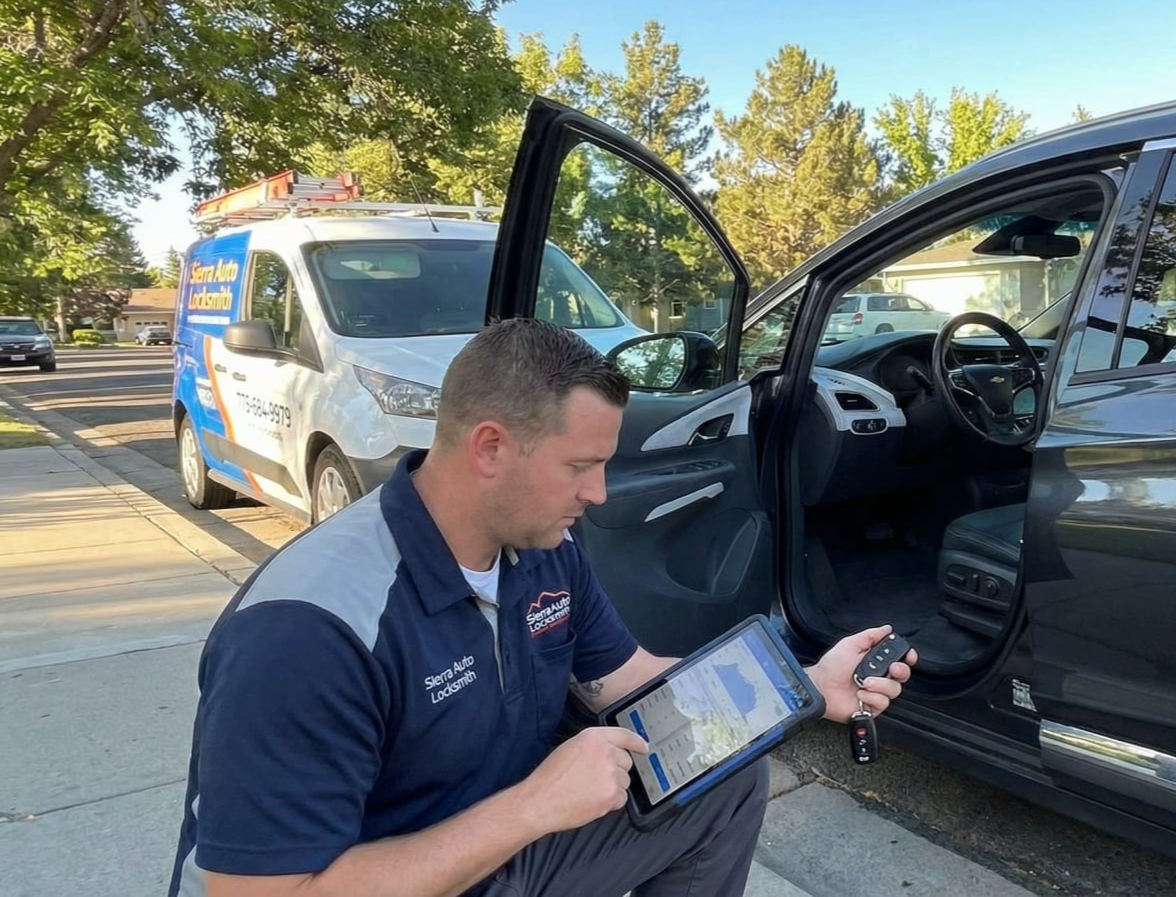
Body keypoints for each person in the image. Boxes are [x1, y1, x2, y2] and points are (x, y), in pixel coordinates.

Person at [169, 317, 917, 897]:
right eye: (581, 466)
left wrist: (804, 687)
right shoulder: (308, 630)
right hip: (398, 872)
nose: (597, 494)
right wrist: (530, 809)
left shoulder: (542, 551)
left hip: (504, 848)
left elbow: (634, 681)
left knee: (723, 777)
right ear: (490, 448)